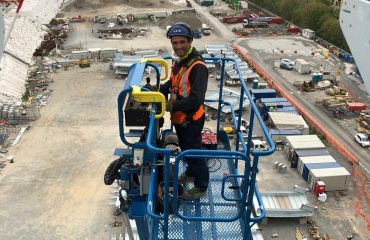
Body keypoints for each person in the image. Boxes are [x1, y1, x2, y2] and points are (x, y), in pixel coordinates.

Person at [160, 22, 209, 200]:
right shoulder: (180, 60)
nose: (178, 46)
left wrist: (172, 106)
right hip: (181, 118)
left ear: (189, 41)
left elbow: (196, 99)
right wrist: (159, 90)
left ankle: (201, 185)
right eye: (175, 42)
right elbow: (173, 82)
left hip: (191, 119)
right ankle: (191, 172)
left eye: (182, 42)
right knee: (187, 147)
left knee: (194, 151)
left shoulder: (197, 67)